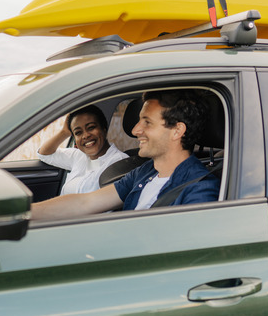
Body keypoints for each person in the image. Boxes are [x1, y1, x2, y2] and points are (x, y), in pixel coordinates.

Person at [32, 90, 220, 220]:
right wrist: (23, 213)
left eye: (146, 122)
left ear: (177, 131)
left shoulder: (200, 189)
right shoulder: (145, 172)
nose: (136, 129)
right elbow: (86, 202)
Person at [37, 105, 128, 195]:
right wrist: (64, 132)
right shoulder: (78, 156)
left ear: (104, 129)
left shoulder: (119, 162)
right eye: (78, 132)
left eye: (91, 127)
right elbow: (44, 154)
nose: (85, 136)